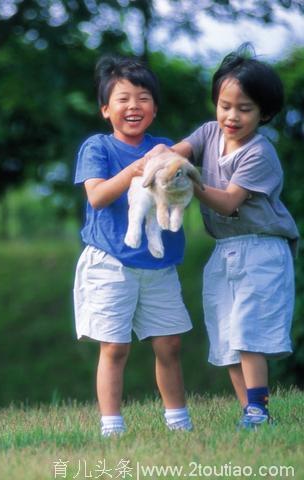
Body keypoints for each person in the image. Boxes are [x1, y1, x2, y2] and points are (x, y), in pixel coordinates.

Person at [150, 45, 299, 429]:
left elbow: (229, 202)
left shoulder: (259, 153)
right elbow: (177, 153)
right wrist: (162, 159)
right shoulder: (208, 133)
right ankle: (250, 412)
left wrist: (191, 181)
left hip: (262, 249)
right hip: (225, 250)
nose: (231, 116)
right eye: (224, 105)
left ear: (264, 114)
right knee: (228, 337)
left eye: (244, 109)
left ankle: (258, 408)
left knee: (249, 332)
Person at [73, 56, 193, 437]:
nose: (133, 106)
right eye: (123, 99)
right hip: (111, 262)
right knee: (115, 347)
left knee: (170, 344)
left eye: (143, 98)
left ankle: (179, 423)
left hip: (159, 263)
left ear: (154, 109)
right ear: (105, 109)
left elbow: (184, 180)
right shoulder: (98, 148)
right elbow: (97, 197)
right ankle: (112, 427)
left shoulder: (165, 148)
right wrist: (135, 169)